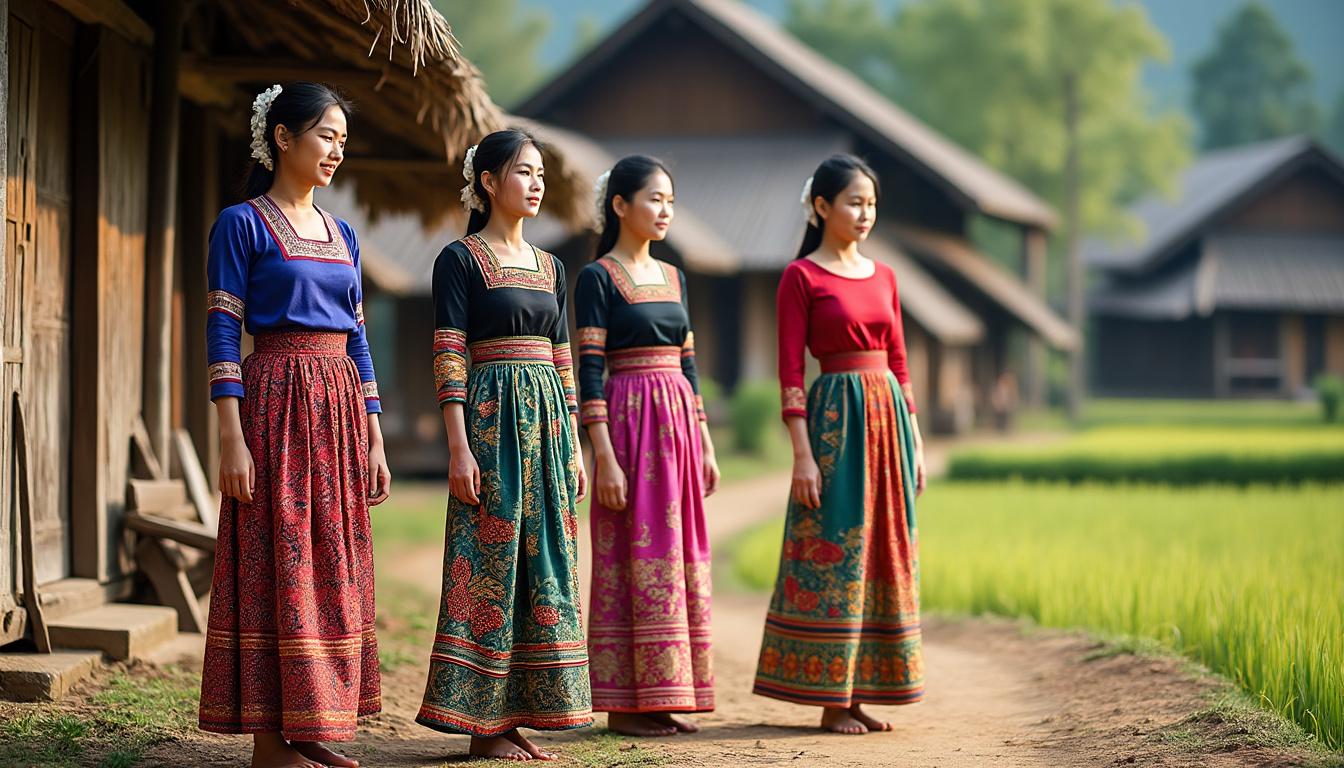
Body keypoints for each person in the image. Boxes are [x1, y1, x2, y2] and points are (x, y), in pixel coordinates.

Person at [199, 82, 391, 768]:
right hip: (275, 403)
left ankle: (314, 726)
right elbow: (223, 331)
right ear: (283, 137)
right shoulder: (242, 223)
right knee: (278, 562)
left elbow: (359, 338)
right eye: (325, 135)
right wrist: (231, 435)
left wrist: (373, 432)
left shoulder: (344, 235)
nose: (337, 149)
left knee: (333, 564)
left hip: (338, 409)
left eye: (343, 138)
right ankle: (270, 742)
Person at [417, 129, 591, 762]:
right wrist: (458, 448)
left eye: (542, 172)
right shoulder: (459, 260)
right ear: (488, 182)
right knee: (491, 563)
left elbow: (564, 359)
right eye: (524, 171)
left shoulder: (553, 267)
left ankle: (520, 713)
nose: (538, 182)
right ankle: (481, 724)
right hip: (491, 427)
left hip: (547, 431)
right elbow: (448, 355)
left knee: (544, 562)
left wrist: (572, 445)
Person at [752, 154, 927, 735]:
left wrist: (916, 442)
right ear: (823, 207)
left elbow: (900, 364)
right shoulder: (801, 276)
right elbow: (790, 373)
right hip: (836, 423)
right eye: (855, 202)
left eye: (872, 203)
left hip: (888, 422)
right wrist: (802, 452)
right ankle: (830, 698)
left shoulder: (885, 276)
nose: (865, 213)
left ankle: (861, 693)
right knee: (837, 544)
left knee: (883, 549)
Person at [576, 156, 721, 737]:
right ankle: (626, 704)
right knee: (632, 557)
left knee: (679, 556)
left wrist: (706, 440)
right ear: (619, 205)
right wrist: (603, 454)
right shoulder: (597, 278)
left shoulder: (674, 275)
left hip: (679, 430)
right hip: (629, 428)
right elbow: (588, 371)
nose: (665, 210)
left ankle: (667, 694)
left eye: (670, 200)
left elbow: (689, 365)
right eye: (654, 199)